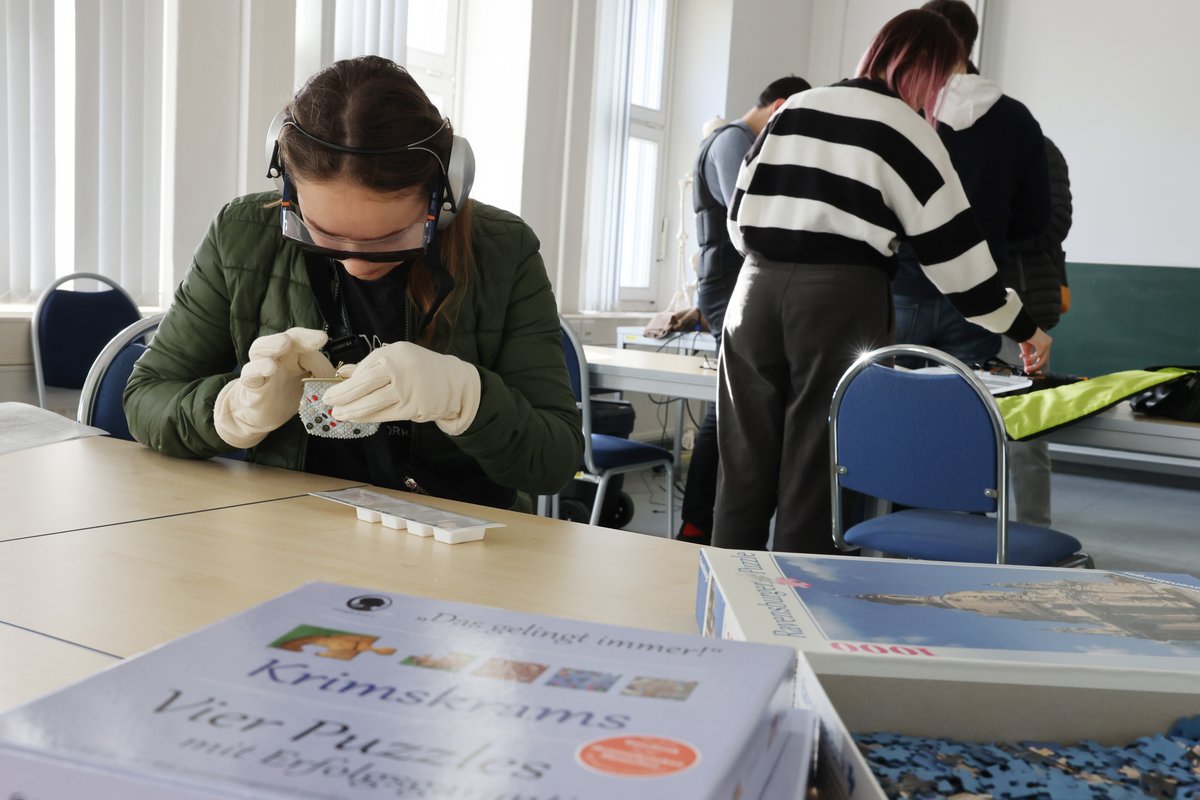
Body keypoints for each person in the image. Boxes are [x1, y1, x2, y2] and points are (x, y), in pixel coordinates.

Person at [125, 56, 583, 512]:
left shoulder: (504, 249)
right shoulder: (240, 234)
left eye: (389, 239)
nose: (356, 264)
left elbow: (555, 461)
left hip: (455, 534)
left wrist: (466, 397)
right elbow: (146, 397)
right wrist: (233, 409)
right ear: (289, 188)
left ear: (443, 196)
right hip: (287, 524)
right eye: (323, 234)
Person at [711, 9, 1053, 555]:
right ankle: (797, 611)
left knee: (743, 463)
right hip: (839, 300)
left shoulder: (796, 107)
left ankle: (723, 608)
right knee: (814, 464)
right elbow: (960, 265)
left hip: (751, 293)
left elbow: (737, 217)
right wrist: (1024, 327)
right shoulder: (907, 130)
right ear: (929, 70)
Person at [894, 0, 1064, 527]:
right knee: (970, 418)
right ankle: (964, 537)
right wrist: (984, 232)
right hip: (978, 293)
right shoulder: (1015, 118)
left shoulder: (903, 105)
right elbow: (1039, 216)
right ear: (971, 43)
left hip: (902, 286)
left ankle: (896, 533)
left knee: (898, 415)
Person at [678, 75, 812, 546]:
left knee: (733, 410)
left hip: (729, 288)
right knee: (729, 412)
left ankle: (704, 522)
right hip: (734, 288)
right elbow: (754, 213)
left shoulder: (727, 140)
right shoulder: (734, 142)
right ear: (779, 107)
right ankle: (699, 522)